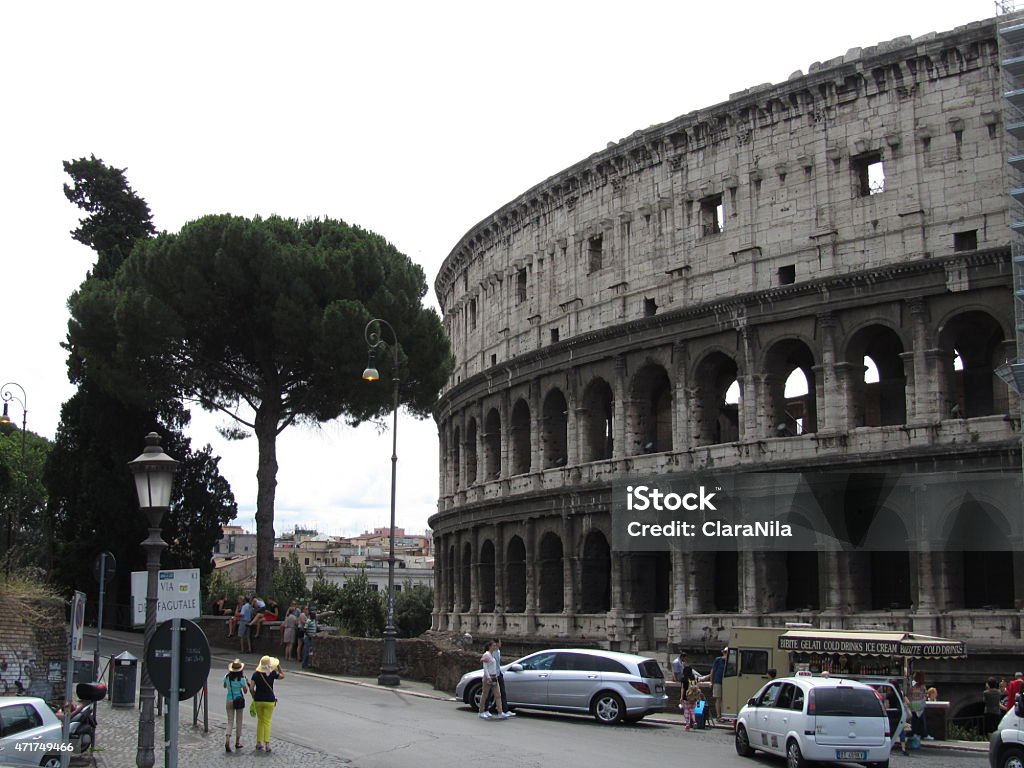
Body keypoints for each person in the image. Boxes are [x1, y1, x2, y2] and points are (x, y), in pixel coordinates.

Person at [251, 655, 284, 752]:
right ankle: (267, 744)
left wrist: (254, 696)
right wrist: (278, 666)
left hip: (258, 700)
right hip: (269, 700)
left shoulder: (255, 674)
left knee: (260, 721)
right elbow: (282, 676)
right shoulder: (272, 673)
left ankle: (258, 742)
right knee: (267, 721)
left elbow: (251, 688)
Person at [223, 659, 249, 753]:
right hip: (238, 700)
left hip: (229, 699)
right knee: (239, 721)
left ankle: (227, 740)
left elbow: (225, 686)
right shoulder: (241, 679)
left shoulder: (227, 676)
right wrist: (245, 682)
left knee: (230, 721)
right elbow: (246, 691)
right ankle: (237, 742)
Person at [479, 640, 509, 720]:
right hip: (488, 678)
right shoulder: (487, 654)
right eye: (493, 646)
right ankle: (481, 711)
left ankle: (500, 712)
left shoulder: (492, 655)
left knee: (498, 695)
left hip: (494, 677)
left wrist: (495, 675)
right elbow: (485, 667)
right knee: (485, 694)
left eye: (495, 645)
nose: (495, 647)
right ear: (490, 646)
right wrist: (488, 677)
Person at [488, 638, 515, 716]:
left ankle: (504, 710)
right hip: (493, 674)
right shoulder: (491, 652)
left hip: (499, 674)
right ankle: (485, 709)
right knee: (489, 693)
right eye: (500, 642)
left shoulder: (498, 652)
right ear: (496, 643)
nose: (501, 643)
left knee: (502, 693)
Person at [908, 671, 932, 740]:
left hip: (913, 704)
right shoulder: (922, 686)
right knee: (921, 720)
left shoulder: (913, 686)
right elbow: (924, 695)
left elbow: (909, 694)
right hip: (919, 704)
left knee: (915, 720)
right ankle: (923, 734)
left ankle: (915, 733)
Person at [710, 647, 727, 726]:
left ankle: (724, 714)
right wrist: (711, 682)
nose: (726, 654)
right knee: (718, 698)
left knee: (725, 699)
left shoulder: (730, 661)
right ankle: (718, 715)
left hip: (727, 682)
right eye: (725, 652)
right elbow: (713, 671)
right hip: (718, 681)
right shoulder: (718, 660)